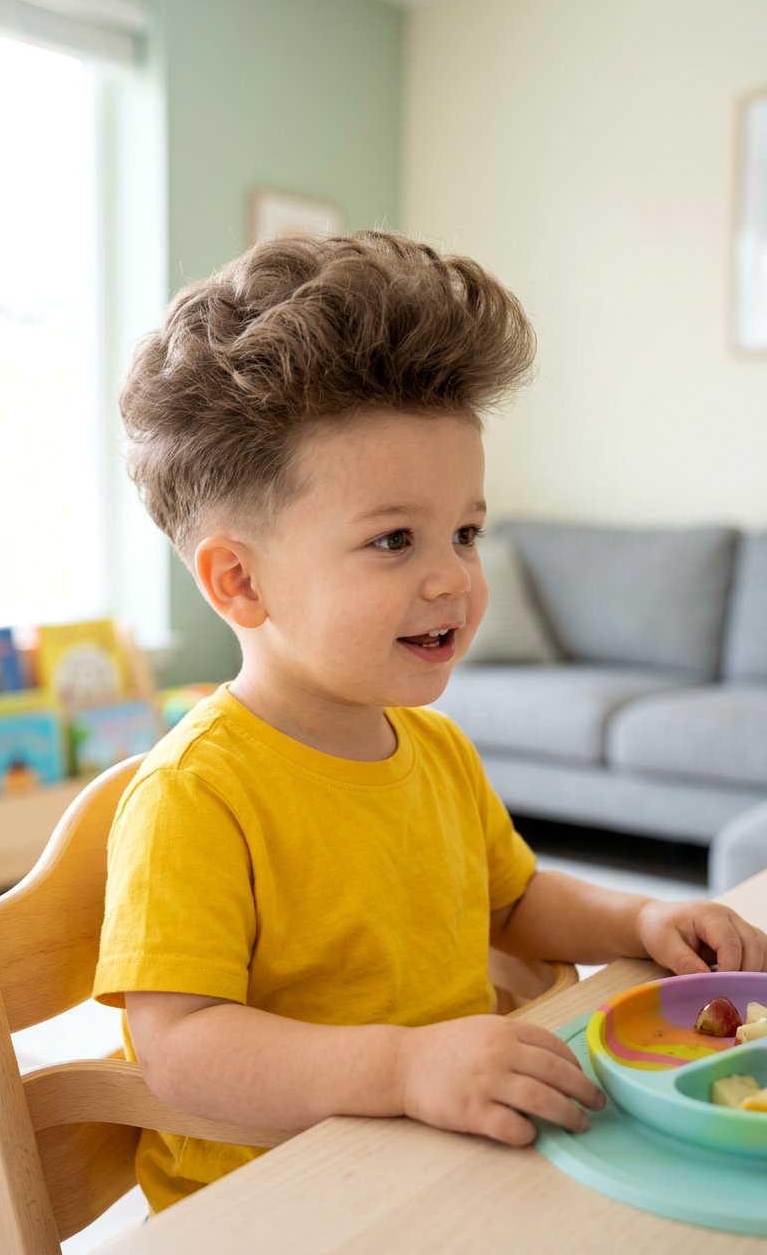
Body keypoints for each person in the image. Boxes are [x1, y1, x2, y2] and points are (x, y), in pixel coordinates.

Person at [94, 230, 767, 1213]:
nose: (452, 574)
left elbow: (509, 900)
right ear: (239, 581)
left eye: (464, 530)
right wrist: (402, 1068)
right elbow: (182, 1049)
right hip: (280, 1204)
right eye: (393, 538)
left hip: (441, 1158)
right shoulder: (194, 794)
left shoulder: (433, 747)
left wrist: (642, 917)